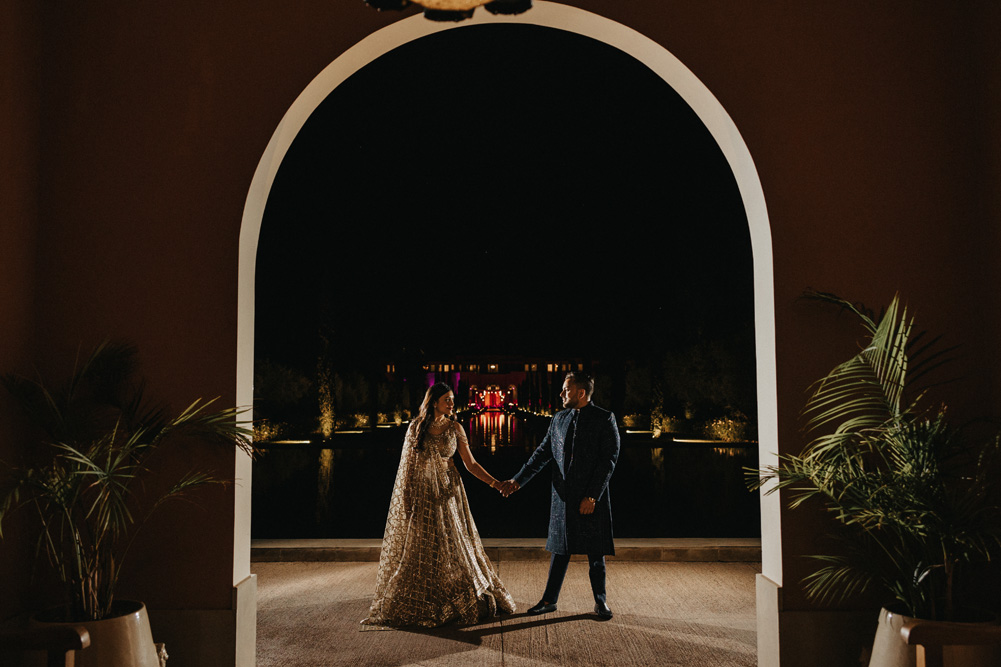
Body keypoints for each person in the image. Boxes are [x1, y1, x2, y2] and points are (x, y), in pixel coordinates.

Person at [362, 382, 515, 627]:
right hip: (423, 495)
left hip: (448, 493)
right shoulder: (415, 428)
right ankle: (424, 597)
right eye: (447, 399)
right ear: (434, 402)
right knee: (423, 546)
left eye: (453, 399)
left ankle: (456, 595)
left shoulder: (455, 428)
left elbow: (471, 464)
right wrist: (408, 500)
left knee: (455, 545)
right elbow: (408, 468)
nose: (452, 403)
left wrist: (495, 483)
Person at [498, 371, 620, 620]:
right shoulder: (558, 420)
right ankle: (548, 601)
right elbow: (542, 455)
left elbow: (608, 461)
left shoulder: (604, 419)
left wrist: (592, 496)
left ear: (581, 393)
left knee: (596, 554)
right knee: (560, 552)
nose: (562, 394)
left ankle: (601, 602)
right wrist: (517, 481)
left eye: (566, 389)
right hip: (562, 499)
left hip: (590, 499)